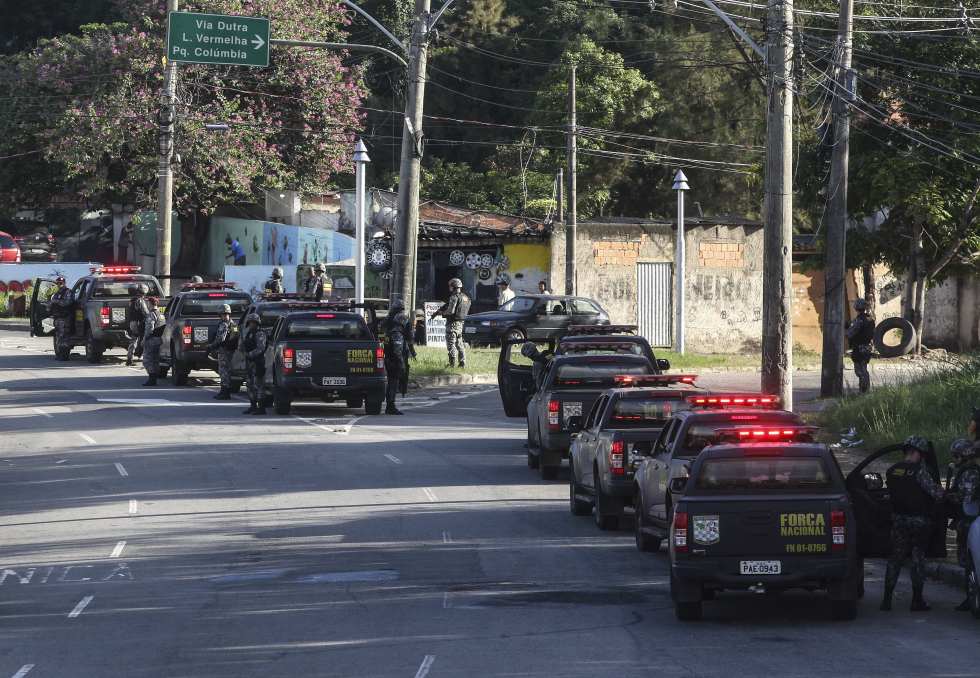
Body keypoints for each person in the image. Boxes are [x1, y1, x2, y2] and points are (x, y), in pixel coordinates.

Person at [881, 435, 946, 612]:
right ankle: (917, 601)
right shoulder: (920, 472)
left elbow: (889, 495)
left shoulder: (893, 470)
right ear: (919, 453)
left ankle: (886, 600)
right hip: (919, 522)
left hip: (898, 521)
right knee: (918, 560)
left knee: (895, 559)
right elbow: (936, 494)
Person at [949, 418, 980, 611]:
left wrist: (949, 497)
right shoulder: (967, 471)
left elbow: (966, 498)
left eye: (956, 456)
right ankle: (970, 596)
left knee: (969, 562)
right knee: (967, 563)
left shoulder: (970, 473)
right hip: (968, 521)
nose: (954, 460)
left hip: (970, 522)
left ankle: (971, 597)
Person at [382, 301, 416, 415]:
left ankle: (390, 404)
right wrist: (400, 362)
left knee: (393, 380)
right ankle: (390, 406)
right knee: (394, 381)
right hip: (396, 356)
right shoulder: (398, 330)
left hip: (387, 355)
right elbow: (399, 346)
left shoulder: (387, 321)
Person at [433, 278, 471, 368]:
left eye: (450, 286)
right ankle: (462, 363)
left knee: (451, 344)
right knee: (460, 344)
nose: (449, 288)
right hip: (461, 323)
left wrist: (441, 313)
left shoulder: (454, 297)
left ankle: (451, 364)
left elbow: (450, 312)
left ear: (453, 287)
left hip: (452, 324)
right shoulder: (466, 297)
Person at [240, 313, 268, 415]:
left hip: (258, 362)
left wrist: (250, 354)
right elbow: (244, 346)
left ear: (257, 323)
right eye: (250, 322)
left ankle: (261, 408)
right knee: (250, 384)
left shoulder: (260, 334)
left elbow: (261, 348)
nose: (252, 324)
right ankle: (253, 406)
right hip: (249, 363)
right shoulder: (249, 333)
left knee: (259, 385)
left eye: (253, 323)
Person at [208, 304, 237, 400]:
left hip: (224, 351)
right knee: (227, 371)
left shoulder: (224, 324)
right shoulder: (233, 324)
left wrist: (211, 346)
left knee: (223, 371)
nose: (223, 316)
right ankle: (225, 391)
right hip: (231, 351)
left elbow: (220, 338)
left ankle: (225, 392)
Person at [846, 298, 875, 393]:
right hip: (867, 347)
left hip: (859, 347)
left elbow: (850, 334)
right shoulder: (870, 319)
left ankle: (864, 390)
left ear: (856, 307)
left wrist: (847, 328)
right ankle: (864, 390)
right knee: (864, 368)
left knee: (859, 371)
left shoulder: (858, 320)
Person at [141, 297, 166, 386]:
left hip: (151, 339)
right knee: (155, 360)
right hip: (159, 339)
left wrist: (144, 339)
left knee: (147, 360)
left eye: (148, 303)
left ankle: (152, 378)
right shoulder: (161, 314)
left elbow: (149, 328)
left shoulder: (151, 314)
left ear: (150, 304)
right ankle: (154, 378)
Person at [49, 276, 74, 360]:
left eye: (61, 283)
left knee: (64, 337)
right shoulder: (56, 293)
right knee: (59, 337)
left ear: (64, 283)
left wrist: (56, 301)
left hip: (65, 318)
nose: (59, 284)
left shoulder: (68, 292)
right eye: (58, 283)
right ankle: (59, 354)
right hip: (57, 318)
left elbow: (67, 303)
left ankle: (64, 355)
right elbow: (52, 304)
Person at [126, 284, 148, 366]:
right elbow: (145, 313)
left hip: (132, 322)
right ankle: (142, 356)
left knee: (133, 340)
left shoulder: (132, 300)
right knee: (143, 339)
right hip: (139, 322)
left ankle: (129, 358)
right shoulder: (140, 300)